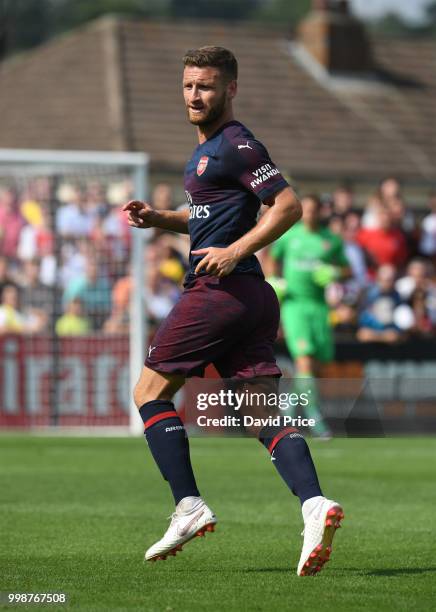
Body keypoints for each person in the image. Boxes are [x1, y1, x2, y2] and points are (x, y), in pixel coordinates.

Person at [123, 46, 344, 576]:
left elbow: (287, 206)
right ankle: (315, 505)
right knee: (262, 415)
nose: (195, 95)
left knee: (149, 392)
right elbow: (208, 220)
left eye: (205, 86)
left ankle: (189, 506)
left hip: (217, 294)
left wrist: (236, 251)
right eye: (188, 85)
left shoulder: (236, 144)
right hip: (250, 299)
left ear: (230, 89)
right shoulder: (206, 155)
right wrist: (160, 219)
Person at [269, 195, 350, 438]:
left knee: (313, 365)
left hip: (319, 307)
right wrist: (275, 280)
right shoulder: (290, 235)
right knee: (304, 360)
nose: (311, 214)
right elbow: (273, 258)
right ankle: (314, 418)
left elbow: (346, 269)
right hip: (295, 305)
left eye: (315, 210)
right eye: (308, 210)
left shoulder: (330, 240)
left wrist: (335, 272)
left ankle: (286, 415)